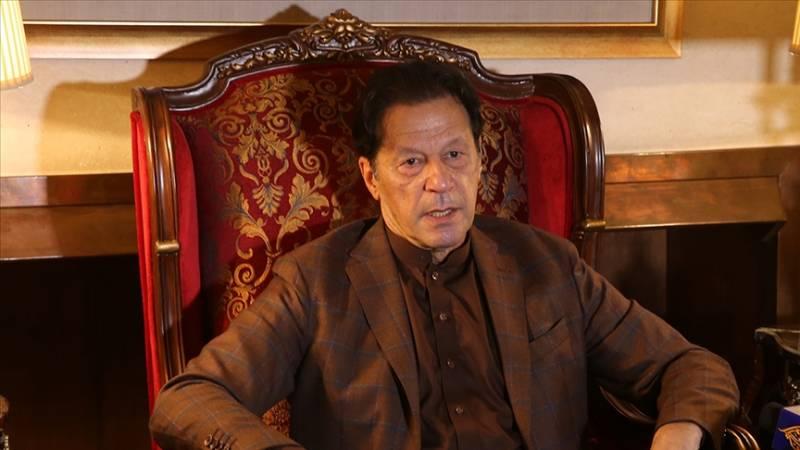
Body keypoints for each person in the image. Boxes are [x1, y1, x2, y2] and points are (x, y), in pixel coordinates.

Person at [149, 61, 739, 450]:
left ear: (479, 161)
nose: (440, 182)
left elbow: (691, 365)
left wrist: (678, 434)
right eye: (412, 162)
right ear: (372, 177)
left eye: (455, 155)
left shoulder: (544, 263)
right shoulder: (316, 281)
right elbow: (188, 400)